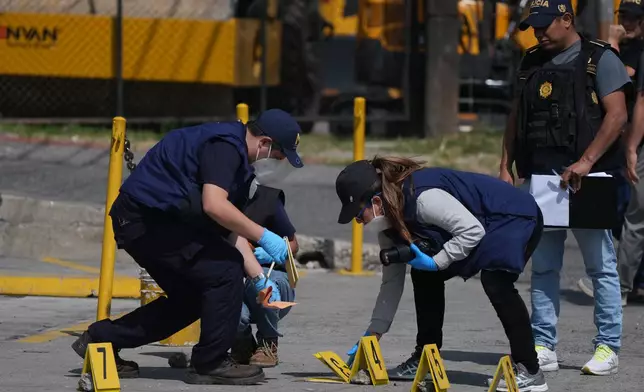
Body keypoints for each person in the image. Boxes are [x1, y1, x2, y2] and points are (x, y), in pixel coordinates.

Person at [70, 109, 304, 385]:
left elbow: (229, 229)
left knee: (193, 299)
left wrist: (258, 279)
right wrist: (265, 236)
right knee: (225, 269)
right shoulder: (226, 148)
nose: (278, 162)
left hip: (158, 222)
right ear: (264, 143)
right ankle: (211, 363)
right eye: (279, 156)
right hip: (144, 220)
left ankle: (101, 339)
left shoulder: (238, 160)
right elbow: (213, 205)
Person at [335, 157, 547, 391]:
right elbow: (391, 284)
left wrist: (437, 262)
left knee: (496, 280)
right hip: (483, 223)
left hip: (513, 215)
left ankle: (530, 371)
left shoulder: (424, 199)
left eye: (358, 215)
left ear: (376, 201)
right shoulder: (388, 225)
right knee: (423, 274)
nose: (359, 223)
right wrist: (371, 336)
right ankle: (424, 358)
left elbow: (471, 230)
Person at [499, 0, 630, 376]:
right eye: (533, 26)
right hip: (542, 179)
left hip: (588, 180)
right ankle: (543, 345)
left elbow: (617, 115)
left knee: (601, 267)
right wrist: (504, 166)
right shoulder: (530, 62)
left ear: (567, 20)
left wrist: (586, 161)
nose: (538, 32)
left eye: (544, 24)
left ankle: (608, 347)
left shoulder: (599, 59)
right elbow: (516, 116)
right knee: (543, 268)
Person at [577, 0, 644, 306]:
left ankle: (622, 285)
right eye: (623, 15)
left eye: (634, 17)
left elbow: (628, 90)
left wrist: (614, 42)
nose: (627, 22)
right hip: (621, 143)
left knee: (632, 217)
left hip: (630, 144)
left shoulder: (632, 51)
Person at [231, 182, 298, 368]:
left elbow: (294, 245)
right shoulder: (211, 202)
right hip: (234, 277)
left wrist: (269, 253)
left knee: (264, 285)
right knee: (220, 295)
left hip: (272, 277)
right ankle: (242, 343)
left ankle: (269, 343)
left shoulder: (267, 201)